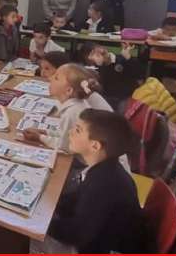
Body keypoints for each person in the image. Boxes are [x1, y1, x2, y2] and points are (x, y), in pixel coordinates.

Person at [33, 109, 144, 254]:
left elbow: (76, 234)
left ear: (95, 146)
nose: (70, 132)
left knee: (26, 239)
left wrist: (42, 224)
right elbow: (76, 199)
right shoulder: (106, 168)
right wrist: (46, 203)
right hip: (96, 238)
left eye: (78, 130)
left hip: (100, 249)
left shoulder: (104, 184)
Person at [21, 63, 100, 152]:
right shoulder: (76, 105)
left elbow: (64, 146)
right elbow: (64, 133)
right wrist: (46, 132)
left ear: (69, 90)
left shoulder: (71, 113)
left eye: (56, 78)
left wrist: (40, 137)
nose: (50, 78)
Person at [78, 42, 144, 107]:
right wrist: (101, 66)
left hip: (126, 97)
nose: (99, 53)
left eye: (98, 48)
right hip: (107, 99)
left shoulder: (121, 59)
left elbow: (140, 76)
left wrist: (128, 58)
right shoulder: (94, 71)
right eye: (93, 54)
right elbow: (99, 89)